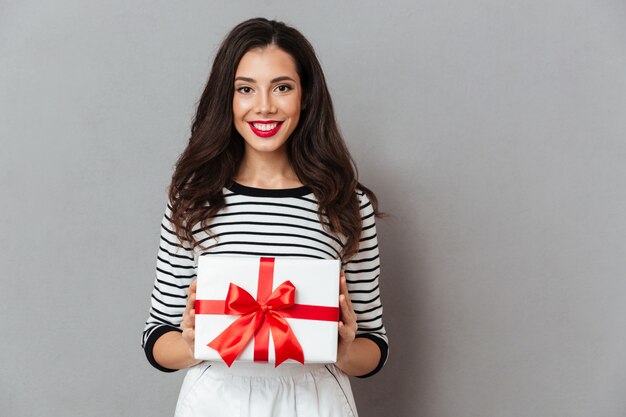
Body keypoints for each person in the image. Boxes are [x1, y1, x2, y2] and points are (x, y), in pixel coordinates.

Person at [141, 17, 388, 417]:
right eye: (245, 89)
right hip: (217, 398)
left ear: (305, 96)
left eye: (282, 87)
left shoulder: (346, 203)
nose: (264, 106)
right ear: (228, 99)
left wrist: (343, 350)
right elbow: (156, 338)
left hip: (315, 399)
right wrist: (190, 344)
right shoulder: (193, 199)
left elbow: (374, 346)